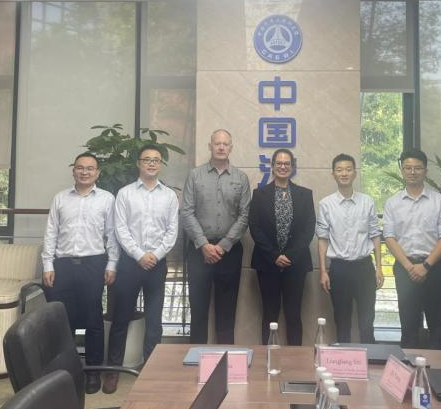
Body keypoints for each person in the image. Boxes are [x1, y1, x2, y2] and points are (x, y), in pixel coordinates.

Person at [41, 152, 119, 394]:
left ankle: (92, 372)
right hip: (62, 265)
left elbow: (112, 234)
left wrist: (112, 264)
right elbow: (51, 232)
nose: (85, 172)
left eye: (90, 168)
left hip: (93, 264)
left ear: (98, 173)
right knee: (63, 320)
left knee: (93, 319)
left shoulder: (107, 199)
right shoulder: (60, 198)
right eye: (80, 167)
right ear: (73, 170)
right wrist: (48, 264)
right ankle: (65, 372)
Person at [104, 144, 179, 394]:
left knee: (154, 321)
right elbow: (120, 229)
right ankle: (113, 370)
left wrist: (154, 256)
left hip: (156, 265)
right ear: (138, 163)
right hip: (129, 264)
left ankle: (151, 370)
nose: (151, 163)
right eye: (147, 159)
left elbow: (172, 231)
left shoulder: (169, 196)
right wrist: (139, 255)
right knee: (120, 319)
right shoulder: (125, 194)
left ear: (160, 164)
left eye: (156, 160)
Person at [181, 129, 251, 344]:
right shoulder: (195, 175)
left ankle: (227, 357)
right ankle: (196, 357)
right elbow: (186, 212)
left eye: (225, 144)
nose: (221, 147)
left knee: (227, 310)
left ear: (231, 148)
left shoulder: (241, 178)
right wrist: (204, 244)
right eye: (217, 143)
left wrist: (223, 245)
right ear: (209, 146)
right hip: (199, 251)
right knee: (198, 310)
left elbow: (245, 215)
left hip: (229, 252)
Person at [383, 149, 441, 349]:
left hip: (435, 268)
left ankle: (437, 368)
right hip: (405, 268)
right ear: (402, 170)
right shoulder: (392, 203)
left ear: (425, 171)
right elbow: (389, 237)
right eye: (408, 168)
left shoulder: (439, 201)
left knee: (437, 325)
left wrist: (426, 266)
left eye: (417, 168)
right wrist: (409, 267)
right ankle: (408, 367)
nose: (412, 172)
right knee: (408, 325)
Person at [249, 148, 316, 345]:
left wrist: (291, 255)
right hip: (267, 263)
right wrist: (274, 256)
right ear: (272, 166)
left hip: (296, 264)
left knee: (294, 314)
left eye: (287, 163)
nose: (283, 167)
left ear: (293, 167)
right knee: (269, 314)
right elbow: (255, 227)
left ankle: (296, 358)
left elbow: (308, 228)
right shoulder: (259, 194)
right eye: (279, 163)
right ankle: (268, 356)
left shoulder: (305, 195)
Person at [315, 153, 383, 343]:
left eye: (348, 169)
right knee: (342, 321)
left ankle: (370, 358)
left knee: (367, 321)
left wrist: (379, 268)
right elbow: (322, 239)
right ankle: (343, 360)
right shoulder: (326, 204)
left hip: (364, 267)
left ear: (355, 173)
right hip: (339, 269)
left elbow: (375, 236)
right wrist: (323, 271)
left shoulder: (367, 202)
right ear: (333, 174)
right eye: (339, 170)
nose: (344, 173)